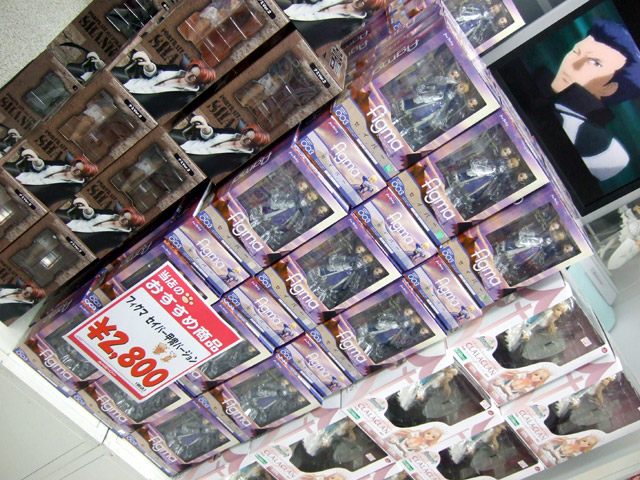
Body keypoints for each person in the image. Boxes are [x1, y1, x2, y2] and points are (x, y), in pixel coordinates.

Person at [541, 20, 640, 181]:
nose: (574, 64)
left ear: (609, 88)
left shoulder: (605, 151)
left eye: (594, 63)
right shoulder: (533, 85)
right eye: (576, 51)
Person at [111, 51, 216, 119]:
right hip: (130, 84)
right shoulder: (175, 69)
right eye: (190, 71)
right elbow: (156, 71)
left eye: (194, 77)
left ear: (200, 82)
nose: (188, 75)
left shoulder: (187, 97)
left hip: (136, 105)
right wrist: (149, 65)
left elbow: (156, 109)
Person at [171, 115, 270, 182]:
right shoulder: (232, 132)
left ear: (254, 144)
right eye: (245, 134)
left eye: (248, 140)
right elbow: (212, 134)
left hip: (191, 164)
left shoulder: (240, 159)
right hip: (188, 146)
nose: (243, 138)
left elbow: (210, 169)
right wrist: (206, 128)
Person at [276, 0, 386, 50]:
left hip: (300, 29)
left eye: (363, 2)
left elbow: (320, 37)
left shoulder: (352, 23)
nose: (358, 2)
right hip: (296, 10)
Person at [4, 149, 99, 207]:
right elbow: (44, 166)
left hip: (27, 195)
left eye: (78, 170)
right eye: (74, 165)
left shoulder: (74, 187)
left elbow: (44, 195)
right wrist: (37, 162)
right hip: (23, 177)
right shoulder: (62, 164)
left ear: (84, 174)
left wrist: (19, 186)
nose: (74, 169)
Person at [60, 198, 146, 254]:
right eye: (123, 215)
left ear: (131, 224)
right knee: (57, 214)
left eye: (126, 220)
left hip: (77, 240)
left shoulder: (120, 237)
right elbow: (93, 214)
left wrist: (71, 233)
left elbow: (94, 245)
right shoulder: (111, 213)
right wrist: (87, 209)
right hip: (74, 224)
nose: (121, 218)